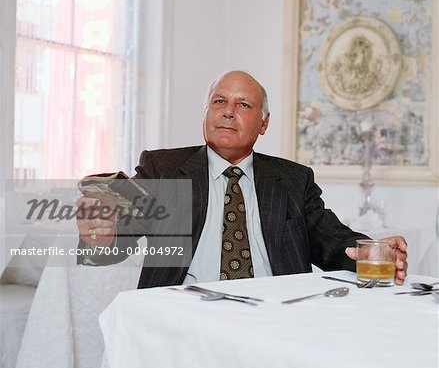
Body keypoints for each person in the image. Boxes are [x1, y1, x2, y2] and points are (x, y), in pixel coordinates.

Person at [76, 70, 408, 287]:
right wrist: (101, 234)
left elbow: (332, 241)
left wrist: (369, 251)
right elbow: (119, 238)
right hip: (184, 313)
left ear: (263, 123)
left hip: (274, 316)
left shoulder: (293, 179)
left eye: (243, 104)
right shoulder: (163, 167)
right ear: (206, 112)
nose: (227, 111)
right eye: (218, 101)